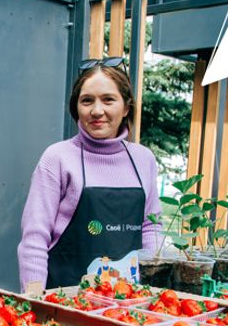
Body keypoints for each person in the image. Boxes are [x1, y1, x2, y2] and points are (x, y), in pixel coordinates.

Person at [17, 59, 162, 291]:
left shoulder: (143, 159)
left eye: (108, 99)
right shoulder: (58, 157)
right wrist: (35, 301)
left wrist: (154, 289)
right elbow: (34, 238)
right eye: (87, 101)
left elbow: (151, 227)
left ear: (126, 107)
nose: (97, 111)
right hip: (65, 303)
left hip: (127, 304)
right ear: (76, 108)